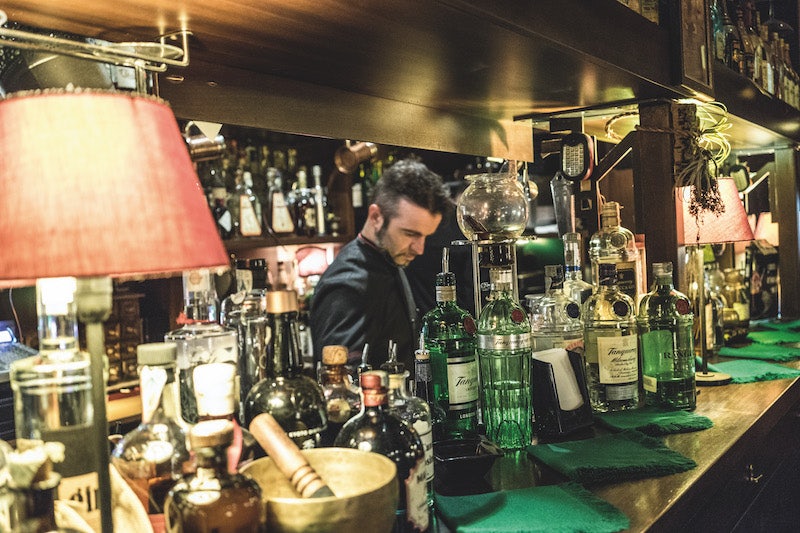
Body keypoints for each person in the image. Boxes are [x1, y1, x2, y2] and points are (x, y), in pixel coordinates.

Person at [309, 158, 451, 373]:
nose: (419, 249)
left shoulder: (388, 259)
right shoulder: (348, 285)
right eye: (410, 234)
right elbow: (342, 382)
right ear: (376, 217)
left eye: (425, 236)